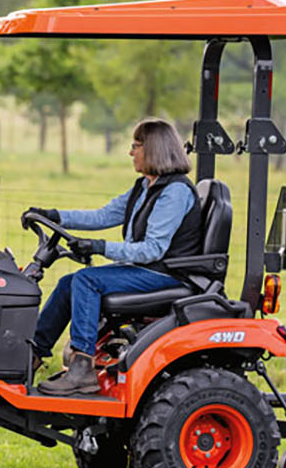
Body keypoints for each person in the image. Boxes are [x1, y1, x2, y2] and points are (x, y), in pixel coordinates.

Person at [25, 118, 205, 396]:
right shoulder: (145, 187)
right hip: (147, 269)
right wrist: (54, 215)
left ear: (154, 149)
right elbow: (103, 215)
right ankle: (31, 356)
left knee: (87, 280)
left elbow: (152, 250)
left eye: (136, 145)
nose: (131, 152)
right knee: (67, 283)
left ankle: (82, 368)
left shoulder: (175, 192)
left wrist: (98, 247)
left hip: (165, 274)